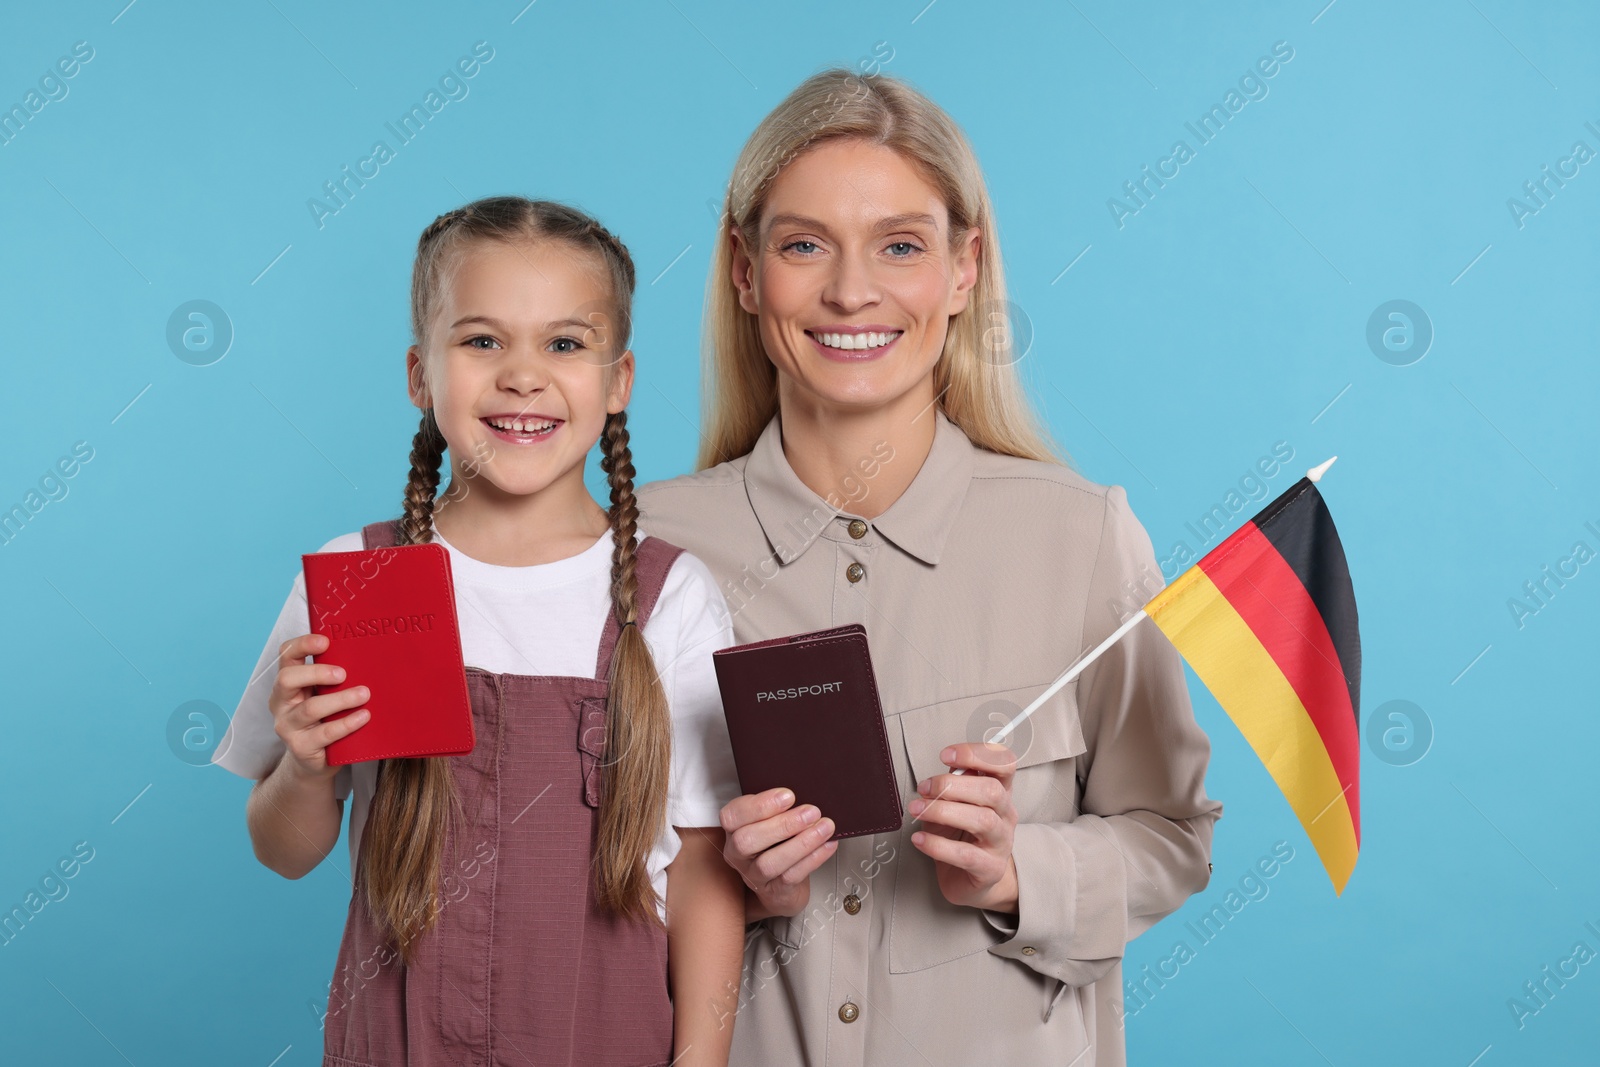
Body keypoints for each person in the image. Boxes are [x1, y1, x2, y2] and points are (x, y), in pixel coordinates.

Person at [636, 70, 1223, 1066]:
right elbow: (564, 892)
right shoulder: (641, 549)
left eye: (900, 245)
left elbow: (1170, 835)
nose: (851, 290)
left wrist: (1018, 870)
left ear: (962, 271)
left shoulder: (1082, 537)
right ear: (745, 273)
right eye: (803, 244)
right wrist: (729, 886)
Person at [213, 197, 745, 1067]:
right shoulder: (360, 577)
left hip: (604, 1039)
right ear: (421, 375)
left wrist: (701, 1059)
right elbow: (283, 851)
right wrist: (306, 767)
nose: (522, 376)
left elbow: (702, 874)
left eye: (565, 343)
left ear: (619, 381)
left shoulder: (672, 596)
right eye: (482, 341)